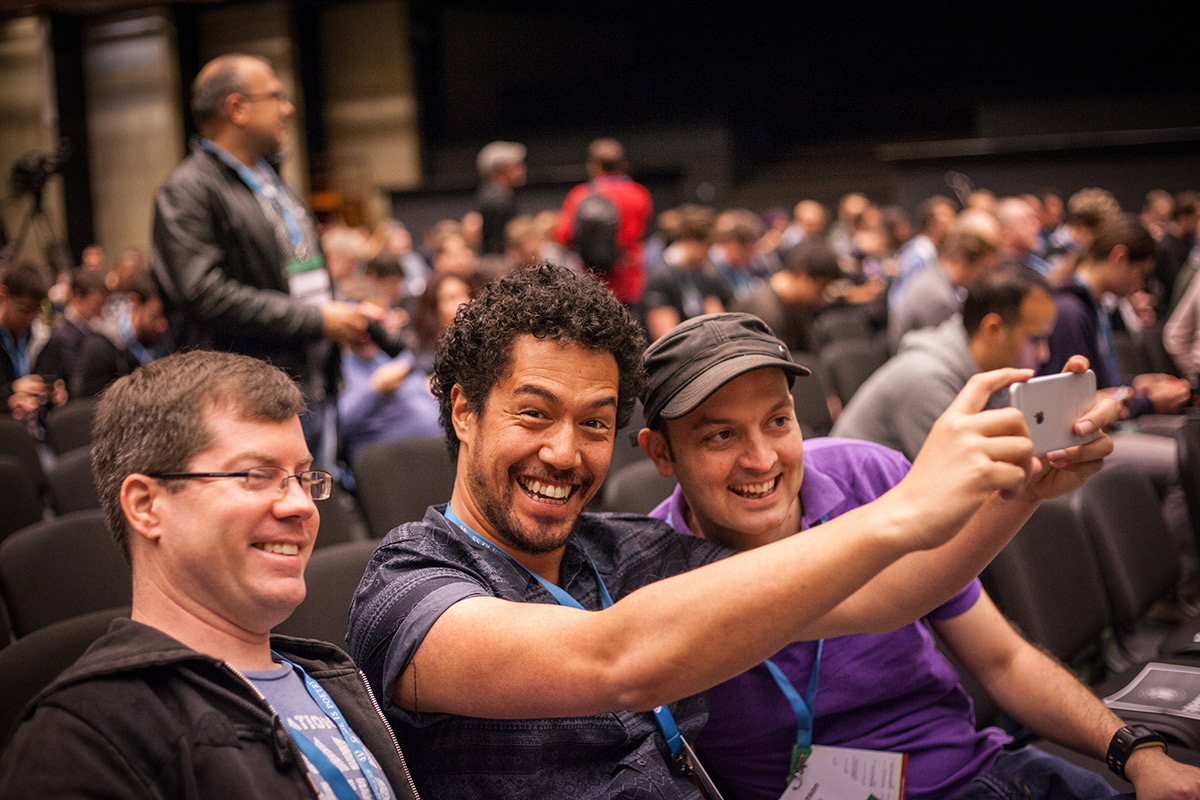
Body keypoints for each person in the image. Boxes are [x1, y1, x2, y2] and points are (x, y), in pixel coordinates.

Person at [347, 262, 1114, 800]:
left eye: (595, 424)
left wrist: (1019, 492)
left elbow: (884, 597)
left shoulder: (624, 550)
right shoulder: (408, 583)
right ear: (464, 411)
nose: (564, 452)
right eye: (534, 414)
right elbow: (617, 660)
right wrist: (904, 510)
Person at [639, 312, 1195, 800]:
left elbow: (1001, 659)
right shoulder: (645, 575)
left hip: (973, 774)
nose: (762, 460)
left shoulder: (868, 473)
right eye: (720, 436)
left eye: (778, 422)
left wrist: (1137, 754)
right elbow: (890, 597)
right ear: (661, 453)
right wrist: (1016, 496)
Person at [0, 350, 418, 798]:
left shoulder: (331, 676)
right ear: (147, 506)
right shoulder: (84, 740)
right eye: (257, 475)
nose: (301, 505)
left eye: (302, 477)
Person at [151, 53, 378, 462]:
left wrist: (338, 314)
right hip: (246, 397)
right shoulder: (186, 191)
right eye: (276, 96)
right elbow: (204, 294)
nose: (287, 109)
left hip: (310, 378)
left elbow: (293, 277)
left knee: (314, 494)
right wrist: (317, 319)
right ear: (237, 108)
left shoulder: (274, 182)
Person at [835, 265, 1055, 460]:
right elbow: (961, 482)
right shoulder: (926, 381)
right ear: (993, 330)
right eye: (1035, 340)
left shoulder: (985, 371)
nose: (1044, 354)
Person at [553, 137, 654, 306]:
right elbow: (643, 233)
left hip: (592, 283)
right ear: (622, 164)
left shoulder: (580, 195)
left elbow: (563, 236)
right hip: (629, 282)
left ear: (594, 165)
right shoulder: (639, 194)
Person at [888, 209, 1001, 352]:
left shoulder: (935, 273)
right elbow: (939, 354)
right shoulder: (938, 299)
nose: (984, 276)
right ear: (963, 259)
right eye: (984, 268)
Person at [731, 237, 842, 354]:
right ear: (802, 276)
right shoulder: (766, 312)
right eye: (821, 289)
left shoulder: (796, 303)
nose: (822, 298)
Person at [74, 269, 170, 397]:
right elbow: (88, 401)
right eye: (155, 316)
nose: (162, 326)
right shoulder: (101, 344)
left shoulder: (163, 341)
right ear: (136, 302)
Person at [643, 204, 732, 340]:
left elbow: (720, 322)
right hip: (677, 348)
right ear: (690, 239)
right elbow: (667, 338)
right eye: (707, 246)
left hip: (702, 343)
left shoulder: (706, 272)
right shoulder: (661, 276)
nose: (709, 255)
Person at [0, 261, 66, 421]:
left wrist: (54, 394)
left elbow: (55, 380)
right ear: (3, 295)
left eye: (35, 311)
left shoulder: (41, 338)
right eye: (23, 310)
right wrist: (11, 392)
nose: (30, 318)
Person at [474, 140, 527, 256]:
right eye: (517, 166)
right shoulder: (497, 201)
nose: (523, 169)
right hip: (499, 260)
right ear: (501, 171)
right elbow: (497, 243)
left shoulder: (499, 195)